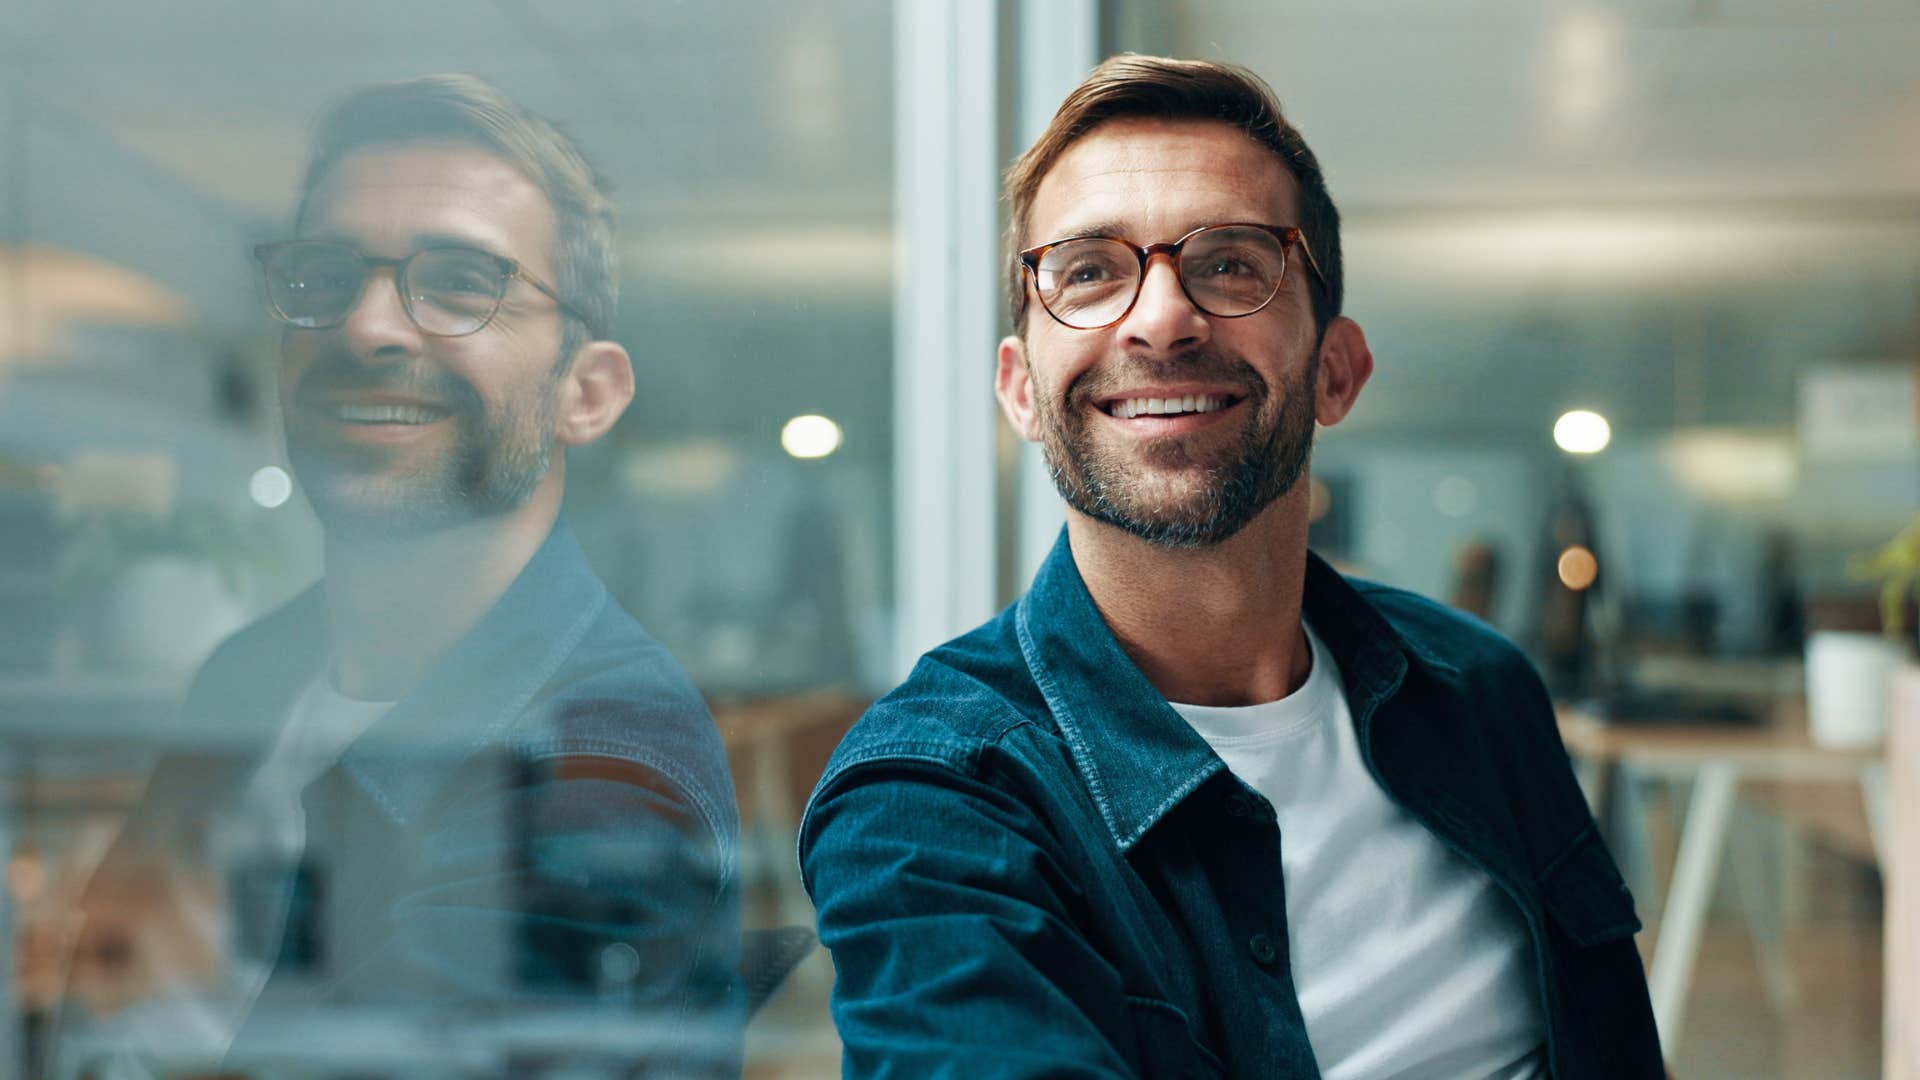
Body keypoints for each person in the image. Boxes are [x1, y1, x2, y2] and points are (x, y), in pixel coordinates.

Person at [800, 55, 1663, 1078]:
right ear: (1020, 390)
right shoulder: (930, 808)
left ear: (1336, 370)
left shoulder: (1479, 688)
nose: (1161, 318)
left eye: (1232, 264)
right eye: (1086, 272)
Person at [60, 75, 742, 1078]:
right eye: (326, 275)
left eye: (462, 283)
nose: (368, 327)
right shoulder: (248, 676)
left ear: (585, 394)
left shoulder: (609, 764)